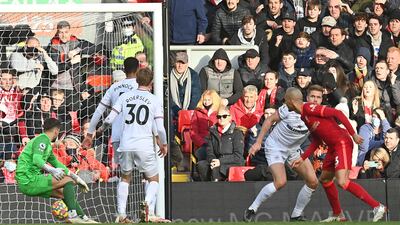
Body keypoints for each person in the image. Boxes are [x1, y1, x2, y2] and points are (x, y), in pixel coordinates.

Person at [288, 86, 386, 222]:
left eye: (318, 97)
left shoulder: (310, 108)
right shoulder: (304, 116)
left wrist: (354, 134)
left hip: (342, 143)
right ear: (307, 97)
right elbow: (317, 140)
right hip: (332, 147)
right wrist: (303, 158)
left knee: (342, 181)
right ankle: (337, 214)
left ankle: (378, 206)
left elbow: (338, 114)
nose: (315, 100)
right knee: (325, 179)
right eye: (312, 97)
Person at [99, 68, 169, 223]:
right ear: (151, 82)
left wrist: (99, 131)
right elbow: (161, 128)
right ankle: (148, 209)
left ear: (136, 80)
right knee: (153, 179)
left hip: (125, 144)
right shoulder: (154, 100)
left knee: (125, 178)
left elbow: (109, 118)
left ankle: (122, 214)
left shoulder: (125, 96)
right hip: (144, 145)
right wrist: (163, 143)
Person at [243, 94, 318, 222]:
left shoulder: (318, 114)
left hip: (294, 149)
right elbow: (269, 120)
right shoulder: (286, 110)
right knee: (280, 182)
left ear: (292, 101)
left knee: (313, 182)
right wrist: (258, 142)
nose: (285, 103)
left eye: (319, 97)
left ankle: (296, 214)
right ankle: (252, 209)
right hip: (275, 147)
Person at [15, 118, 97, 223]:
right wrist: (53, 171)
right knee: (67, 179)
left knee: (63, 193)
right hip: (29, 179)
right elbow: (36, 160)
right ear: (56, 131)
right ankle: (73, 216)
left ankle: (84, 218)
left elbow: (58, 164)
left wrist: (77, 178)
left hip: (28, 181)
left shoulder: (47, 144)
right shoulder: (42, 139)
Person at [82, 57, 139, 166]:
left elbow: (100, 112)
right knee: (146, 174)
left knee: (123, 171)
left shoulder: (113, 89)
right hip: (136, 132)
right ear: (137, 69)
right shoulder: (140, 87)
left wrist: (90, 133)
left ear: (125, 69)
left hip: (116, 132)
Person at [196, 106, 244, 181]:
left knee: (217, 169)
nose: (221, 118)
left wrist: (220, 161)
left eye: (224, 116)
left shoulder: (237, 133)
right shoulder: (213, 132)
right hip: (216, 161)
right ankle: (205, 188)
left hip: (231, 163)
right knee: (202, 165)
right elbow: (210, 152)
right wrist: (213, 160)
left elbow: (238, 156)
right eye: (219, 116)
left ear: (230, 117)